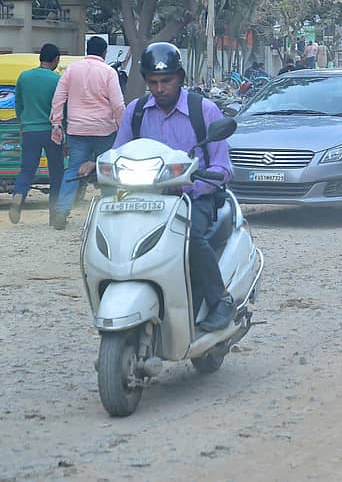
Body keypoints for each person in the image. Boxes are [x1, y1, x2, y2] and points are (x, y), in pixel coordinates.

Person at [114, 42, 236, 333]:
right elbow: (118, 153)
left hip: (194, 198)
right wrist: (99, 168)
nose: (160, 88)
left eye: (166, 81)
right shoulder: (136, 111)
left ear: (180, 77)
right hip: (147, 199)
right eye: (153, 82)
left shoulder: (203, 110)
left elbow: (222, 167)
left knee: (189, 238)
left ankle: (220, 300)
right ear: (145, 80)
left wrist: (195, 182)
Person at [50, 36, 124, 229]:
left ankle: (61, 210)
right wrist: (123, 126)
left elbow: (59, 97)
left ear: (86, 50)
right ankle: (110, 210)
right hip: (104, 129)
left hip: (77, 129)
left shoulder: (71, 70)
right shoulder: (109, 72)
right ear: (104, 53)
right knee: (107, 169)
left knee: (73, 169)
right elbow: (117, 103)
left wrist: (57, 122)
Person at [9, 44, 64, 226]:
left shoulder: (24, 77)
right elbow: (61, 107)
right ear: (56, 59)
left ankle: (18, 195)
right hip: (51, 131)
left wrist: (22, 123)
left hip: (30, 130)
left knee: (27, 170)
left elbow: (18, 104)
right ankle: (55, 212)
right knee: (56, 172)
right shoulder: (57, 79)